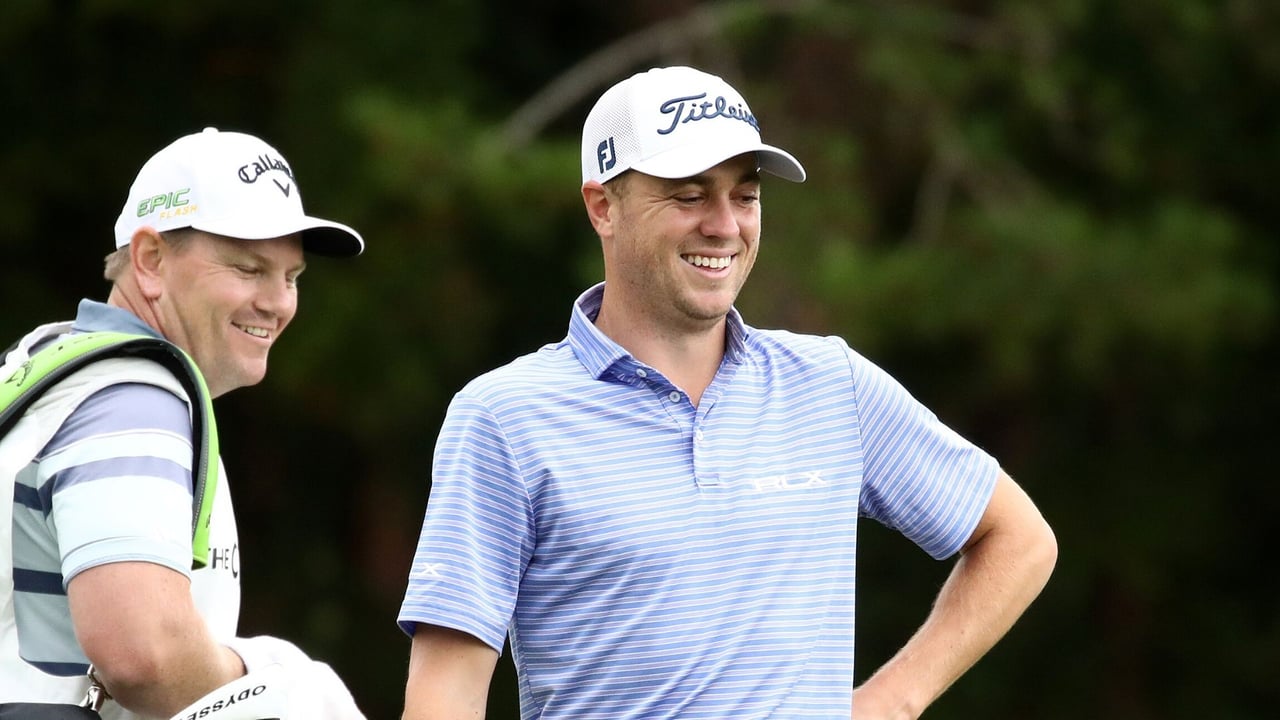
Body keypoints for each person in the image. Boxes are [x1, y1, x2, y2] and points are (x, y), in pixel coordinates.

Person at [397, 66, 1058, 719]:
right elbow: (443, 699)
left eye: (745, 196)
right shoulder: (506, 418)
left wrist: (892, 700)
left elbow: (1019, 539)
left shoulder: (830, 385)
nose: (724, 225)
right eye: (688, 195)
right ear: (603, 207)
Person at [0, 128, 366, 719]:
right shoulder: (134, 393)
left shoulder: (51, 365)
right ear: (150, 261)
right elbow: (143, 653)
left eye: (291, 276)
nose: (278, 302)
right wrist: (276, 683)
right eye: (249, 269)